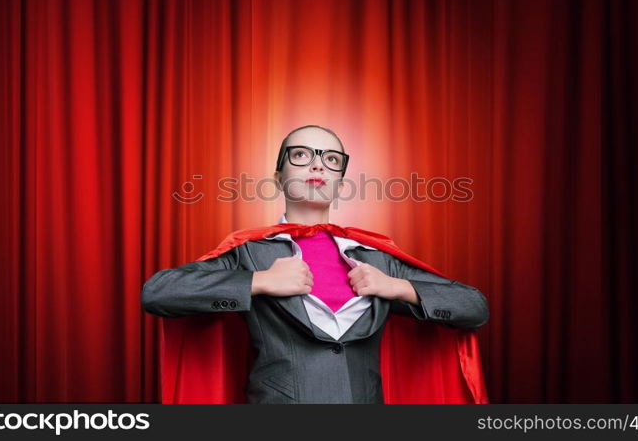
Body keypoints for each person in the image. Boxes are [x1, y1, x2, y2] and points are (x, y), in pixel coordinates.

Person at [142, 124, 490, 404]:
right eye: (301, 154)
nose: (317, 164)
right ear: (278, 177)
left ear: (340, 183)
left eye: (331, 159)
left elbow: (474, 307)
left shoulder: (376, 257)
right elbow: (158, 293)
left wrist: (398, 287)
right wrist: (258, 282)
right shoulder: (248, 253)